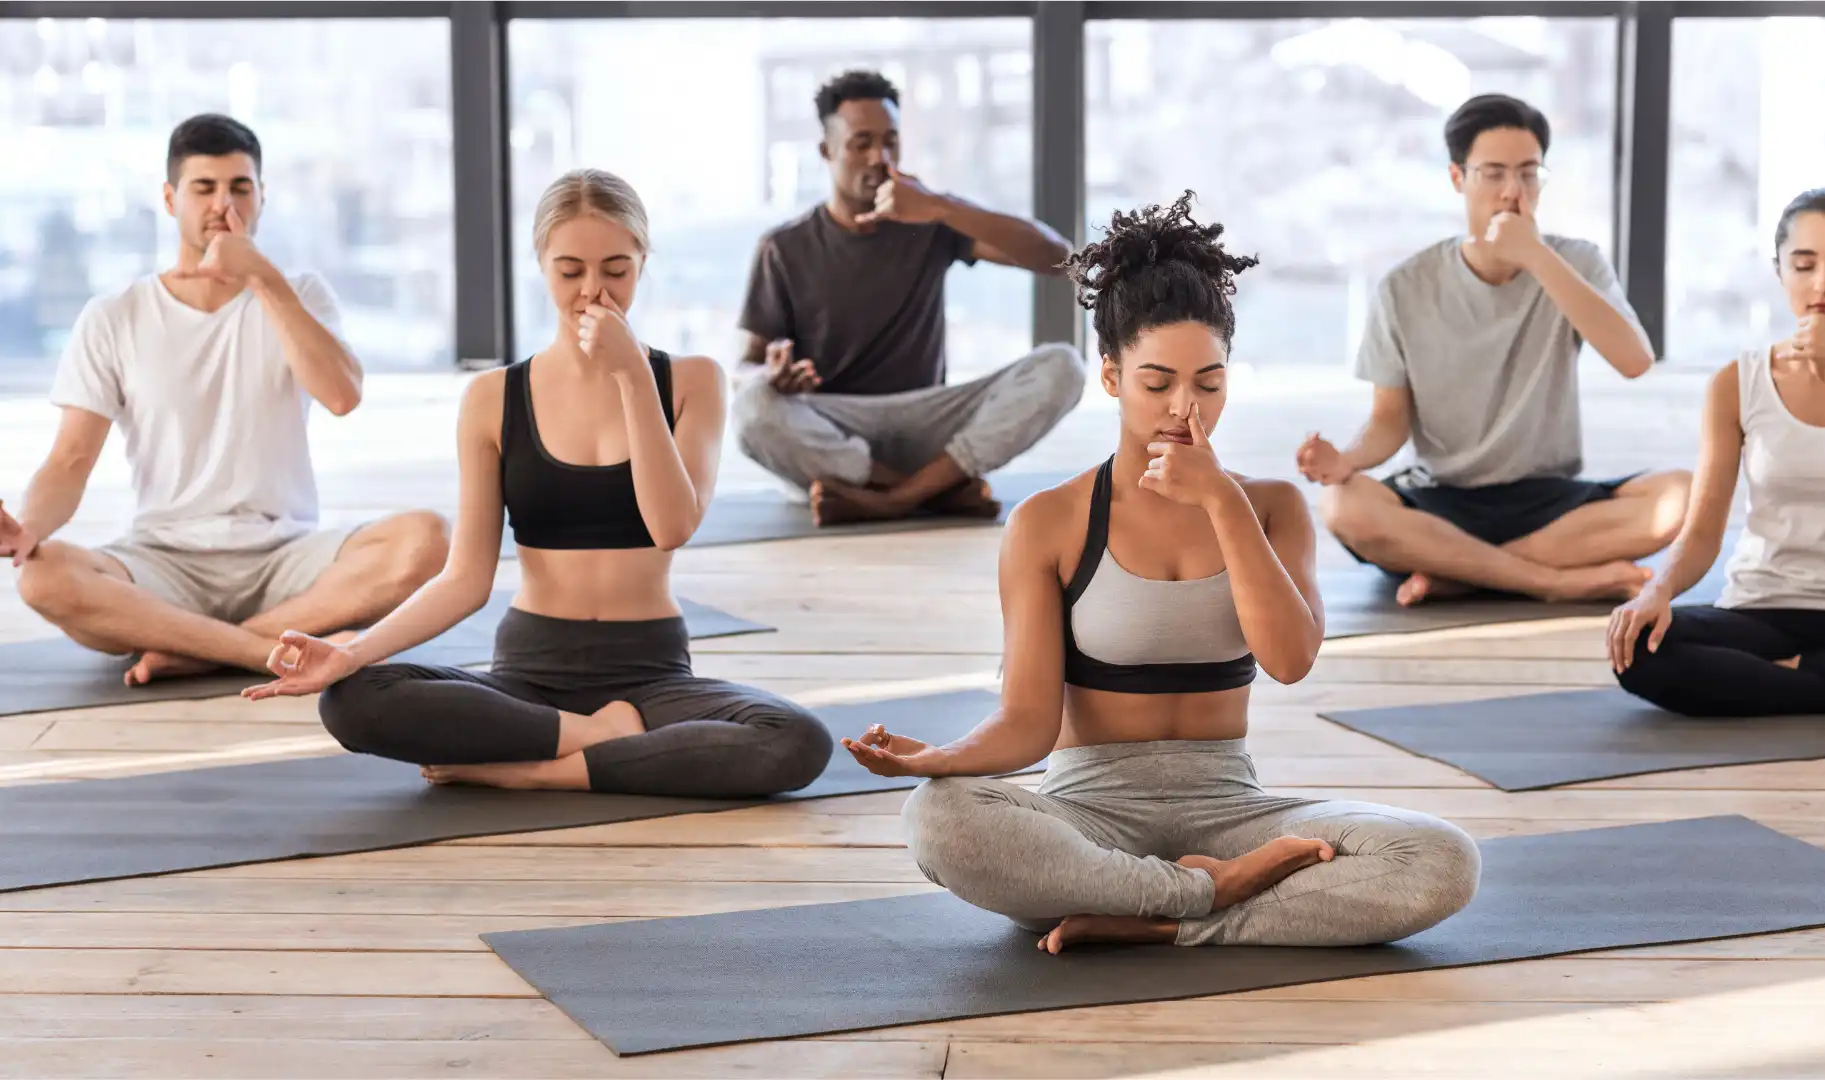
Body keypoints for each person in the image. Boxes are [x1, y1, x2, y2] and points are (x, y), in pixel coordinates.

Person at [840, 192, 1480, 954]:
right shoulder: (1050, 521)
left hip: (1233, 810)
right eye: (1158, 383)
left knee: (1439, 860)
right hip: (1088, 816)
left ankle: (1161, 918)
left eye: (1209, 382)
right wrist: (937, 760)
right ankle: (1211, 893)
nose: (1186, 408)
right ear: (1111, 377)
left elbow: (1288, 659)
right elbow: (1028, 722)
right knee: (938, 817)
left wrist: (1221, 500)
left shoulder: (1270, 507)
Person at [239, 169, 833, 796]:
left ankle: (542, 771)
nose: (593, 292)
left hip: (652, 674)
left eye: (616, 269)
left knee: (796, 739)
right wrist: (353, 653)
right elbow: (465, 579)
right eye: (570, 270)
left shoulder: (693, 381)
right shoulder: (492, 397)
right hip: (530, 673)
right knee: (353, 700)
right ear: (542, 265)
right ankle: (600, 743)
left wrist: (632, 376)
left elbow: (671, 527)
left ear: (642, 263)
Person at [0, 113, 447, 686]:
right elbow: (69, 460)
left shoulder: (299, 292)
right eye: (204, 188)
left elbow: (341, 395)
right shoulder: (115, 315)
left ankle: (198, 651)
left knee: (426, 539)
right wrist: (28, 526)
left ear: (262, 196)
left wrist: (262, 279)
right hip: (164, 562)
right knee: (42, 578)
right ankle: (263, 650)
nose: (222, 204)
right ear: (170, 199)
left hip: (285, 556)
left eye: (240, 187)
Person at [1297, 93, 1690, 608]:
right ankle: (1549, 580)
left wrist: (1534, 255)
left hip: (1548, 496)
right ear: (1458, 178)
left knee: (1679, 496)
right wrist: (1344, 459)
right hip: (1441, 494)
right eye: (1494, 174)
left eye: (1529, 174)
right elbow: (1389, 420)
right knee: (1343, 505)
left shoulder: (1576, 262)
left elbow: (1634, 360)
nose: (1513, 192)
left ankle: (1456, 573)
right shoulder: (1404, 288)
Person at [1609, 189, 1825, 718]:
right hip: (1763, 610)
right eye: (1804, 265)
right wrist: (1655, 591)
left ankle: (1789, 677)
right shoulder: (1737, 382)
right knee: (1639, 647)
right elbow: (1703, 532)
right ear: (1780, 272)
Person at [732, 69, 1087, 526]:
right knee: (752, 408)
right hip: (835, 428)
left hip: (929, 419)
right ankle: (933, 490)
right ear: (827, 152)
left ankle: (892, 497)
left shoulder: (932, 219)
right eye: (861, 143)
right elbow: (743, 370)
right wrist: (771, 374)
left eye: (890, 141)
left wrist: (940, 205)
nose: (879, 157)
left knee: (1064, 366)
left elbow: (1057, 259)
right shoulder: (782, 247)